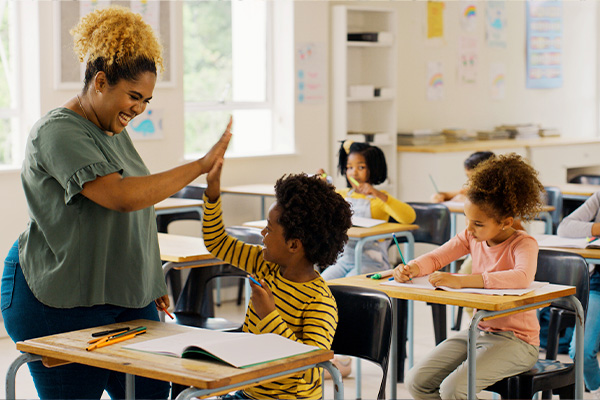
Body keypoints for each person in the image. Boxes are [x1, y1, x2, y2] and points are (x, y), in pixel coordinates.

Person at [1, 6, 231, 400]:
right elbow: (121, 198)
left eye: (147, 100)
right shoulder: (57, 131)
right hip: (55, 297)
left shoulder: (111, 129)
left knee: (152, 394)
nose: (139, 109)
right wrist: (198, 165)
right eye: (134, 96)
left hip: (121, 293)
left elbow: (140, 202)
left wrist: (147, 277)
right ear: (101, 82)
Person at [394, 153, 545, 399]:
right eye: (467, 220)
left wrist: (462, 281)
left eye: (478, 223)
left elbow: (521, 277)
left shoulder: (523, 243)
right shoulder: (470, 237)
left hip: (518, 342)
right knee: (416, 382)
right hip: (478, 332)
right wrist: (411, 267)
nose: (469, 229)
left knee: (454, 389)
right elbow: (435, 258)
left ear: (505, 222)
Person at [201, 158, 352, 400]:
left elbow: (308, 370)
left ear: (293, 244)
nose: (262, 233)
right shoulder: (265, 264)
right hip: (247, 393)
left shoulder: (319, 302)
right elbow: (217, 242)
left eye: (269, 229)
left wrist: (269, 315)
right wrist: (212, 195)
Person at [318, 141, 416, 280]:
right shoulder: (343, 195)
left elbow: (409, 217)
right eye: (349, 167)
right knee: (322, 283)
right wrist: (322, 185)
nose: (354, 173)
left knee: (347, 286)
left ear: (373, 169)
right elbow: (322, 201)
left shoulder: (378, 199)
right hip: (344, 260)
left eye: (361, 167)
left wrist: (379, 195)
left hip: (373, 263)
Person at [557, 191, 600, 398]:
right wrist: (596, 228)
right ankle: (596, 388)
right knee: (580, 352)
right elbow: (565, 227)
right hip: (597, 283)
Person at [430, 151, 495, 203]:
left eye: (474, 178)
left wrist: (469, 201)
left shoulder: (498, 191)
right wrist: (440, 195)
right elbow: (460, 192)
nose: (470, 182)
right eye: (468, 177)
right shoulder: (474, 189)